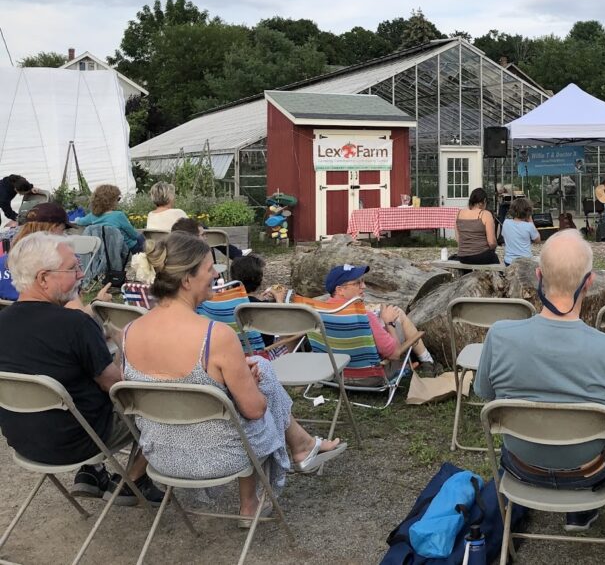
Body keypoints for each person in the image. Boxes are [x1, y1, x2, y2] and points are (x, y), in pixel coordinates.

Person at [122, 232, 346, 523]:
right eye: (209, 268)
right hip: (219, 458)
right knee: (261, 378)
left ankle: (302, 446)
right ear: (187, 280)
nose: (216, 274)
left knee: (255, 370)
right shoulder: (215, 336)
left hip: (162, 457)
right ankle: (257, 496)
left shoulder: (129, 332)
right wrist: (249, 382)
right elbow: (255, 410)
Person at [475, 229, 605, 532]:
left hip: (521, 467)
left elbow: (484, 392)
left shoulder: (499, 336)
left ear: (538, 277)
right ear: (589, 282)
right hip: (589, 472)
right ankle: (580, 512)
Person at [0, 233, 163, 503]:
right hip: (81, 441)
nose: (81, 275)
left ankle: (92, 473)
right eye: (73, 268)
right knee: (161, 404)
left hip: (25, 441)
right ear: (43, 278)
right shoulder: (74, 324)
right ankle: (133, 479)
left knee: (80, 390)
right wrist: (132, 352)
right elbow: (118, 388)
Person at [321, 263, 440, 377]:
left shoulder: (319, 313)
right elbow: (394, 354)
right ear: (340, 290)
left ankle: (411, 364)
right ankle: (427, 361)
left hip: (335, 374)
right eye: (357, 283)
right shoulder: (364, 317)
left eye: (363, 281)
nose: (364, 286)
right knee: (398, 314)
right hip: (370, 376)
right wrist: (389, 323)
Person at [75, 184, 145, 253]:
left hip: (106, 251)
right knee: (141, 237)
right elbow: (133, 234)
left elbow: (80, 221)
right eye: (118, 199)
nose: (118, 202)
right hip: (126, 249)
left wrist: (77, 219)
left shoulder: (92, 216)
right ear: (111, 202)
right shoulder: (119, 215)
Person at [452, 188, 499, 265]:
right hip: (480, 255)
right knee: (494, 257)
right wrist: (492, 248)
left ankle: (465, 273)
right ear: (484, 201)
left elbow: (458, 239)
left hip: (463, 256)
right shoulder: (485, 214)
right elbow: (491, 242)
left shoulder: (459, 213)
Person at [502, 197, 540, 266]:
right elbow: (537, 240)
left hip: (509, 261)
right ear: (528, 212)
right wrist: (531, 221)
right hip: (525, 261)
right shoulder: (529, 226)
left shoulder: (506, 223)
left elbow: (504, 236)